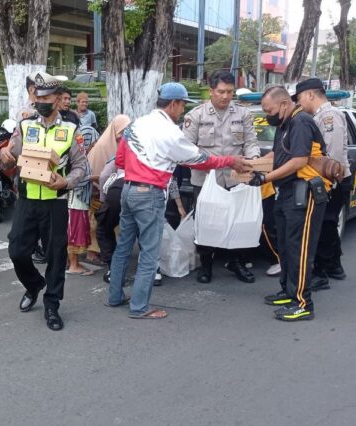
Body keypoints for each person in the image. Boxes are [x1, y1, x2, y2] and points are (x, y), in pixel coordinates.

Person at [107, 82, 252, 319]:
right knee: (149, 253)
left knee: (123, 246)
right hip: (150, 194)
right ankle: (140, 307)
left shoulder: (137, 124)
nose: (183, 110)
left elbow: (120, 160)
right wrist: (229, 160)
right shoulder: (170, 132)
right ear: (173, 103)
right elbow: (197, 159)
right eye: (183, 105)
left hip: (128, 190)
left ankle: (115, 297)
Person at [0, 72, 87, 331]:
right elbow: (9, 155)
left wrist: (66, 182)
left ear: (59, 100)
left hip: (55, 203)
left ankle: (52, 305)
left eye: (47, 96)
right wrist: (4, 156)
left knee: (56, 256)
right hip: (27, 200)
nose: (41, 100)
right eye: (38, 96)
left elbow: (82, 166)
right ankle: (34, 285)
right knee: (17, 251)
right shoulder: (26, 126)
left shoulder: (70, 130)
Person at [251, 86, 330, 322]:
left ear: (284, 104)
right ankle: (288, 291)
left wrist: (265, 178)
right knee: (285, 245)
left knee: (300, 249)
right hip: (286, 192)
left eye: (269, 110)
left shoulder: (301, 122)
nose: (268, 115)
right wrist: (250, 164)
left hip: (304, 192)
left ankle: (303, 303)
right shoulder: (284, 124)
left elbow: (298, 161)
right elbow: (278, 155)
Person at [183, 71, 260, 284]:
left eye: (229, 92)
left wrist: (253, 160)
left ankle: (235, 262)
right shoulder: (196, 116)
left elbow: (251, 141)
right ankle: (206, 265)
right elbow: (187, 151)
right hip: (206, 180)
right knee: (206, 223)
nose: (225, 96)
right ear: (211, 91)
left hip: (236, 178)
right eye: (221, 92)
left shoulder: (243, 114)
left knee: (237, 222)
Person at [294, 78, 352, 290]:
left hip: (332, 180)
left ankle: (321, 272)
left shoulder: (329, 117)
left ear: (310, 95)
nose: (299, 104)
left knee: (324, 225)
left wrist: (325, 184)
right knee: (327, 224)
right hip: (329, 180)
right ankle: (334, 266)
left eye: (299, 98)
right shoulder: (319, 116)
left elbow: (332, 158)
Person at [87, 115, 131, 266]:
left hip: (111, 190)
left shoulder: (124, 145)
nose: (124, 134)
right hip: (97, 189)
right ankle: (93, 253)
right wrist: (101, 187)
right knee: (96, 221)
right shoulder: (102, 146)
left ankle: (108, 254)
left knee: (107, 222)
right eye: (122, 130)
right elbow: (97, 170)